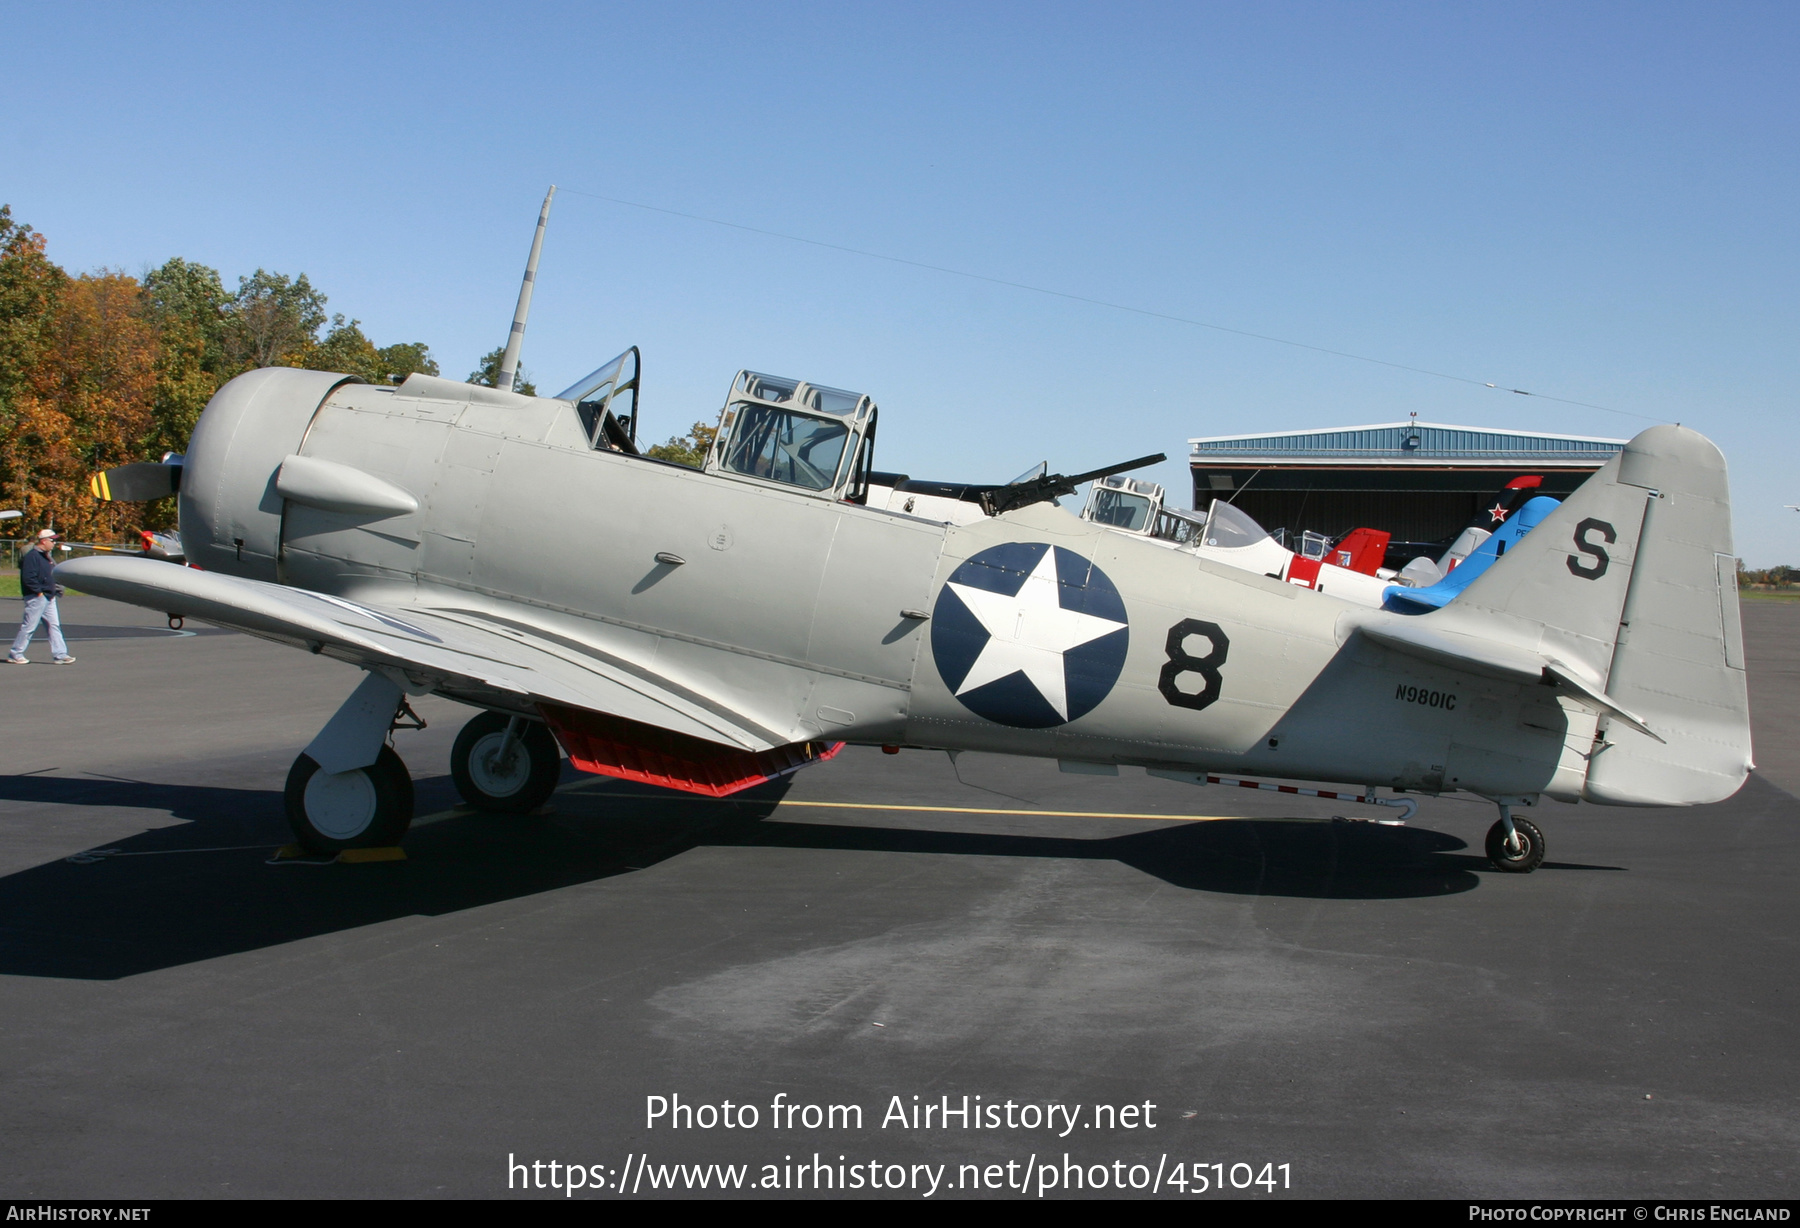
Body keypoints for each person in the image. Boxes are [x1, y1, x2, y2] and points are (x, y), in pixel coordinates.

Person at [9, 529, 74, 665]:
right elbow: (28, 577)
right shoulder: (32, 556)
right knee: (29, 626)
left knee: (53, 625)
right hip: (36, 597)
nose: (54, 543)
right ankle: (16, 653)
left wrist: (54, 590)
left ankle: (60, 654)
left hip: (49, 597)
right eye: (52, 540)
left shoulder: (47, 557)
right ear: (44, 541)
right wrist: (38, 592)